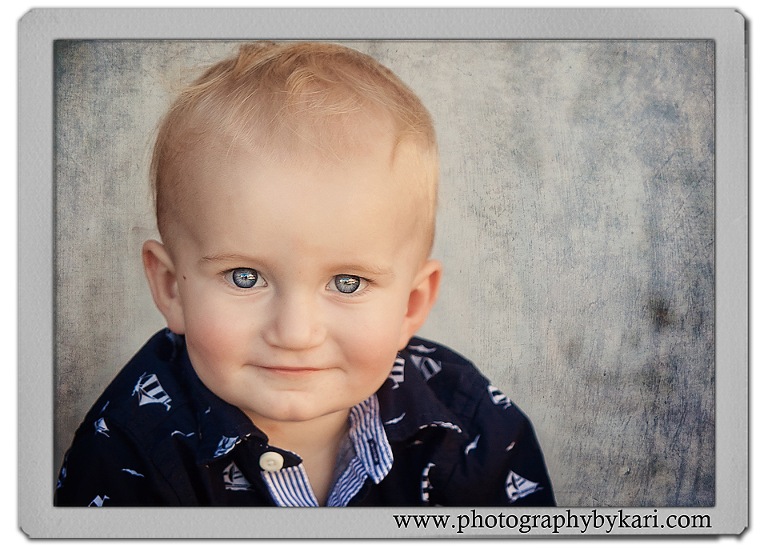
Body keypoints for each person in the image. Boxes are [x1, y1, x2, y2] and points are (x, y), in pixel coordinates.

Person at [54, 41, 555, 507]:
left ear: (411, 303)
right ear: (170, 287)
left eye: (348, 282)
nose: (295, 333)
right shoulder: (127, 447)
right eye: (245, 277)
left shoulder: (471, 429)